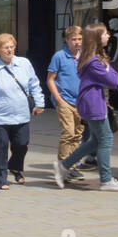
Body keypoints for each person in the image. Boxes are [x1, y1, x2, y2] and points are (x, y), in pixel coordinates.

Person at [52, 23, 118, 191]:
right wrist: (108, 67)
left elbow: (113, 78)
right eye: (105, 34)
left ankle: (64, 166)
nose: (108, 36)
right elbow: (115, 81)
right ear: (96, 38)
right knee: (106, 139)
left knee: (95, 140)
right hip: (93, 103)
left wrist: (108, 68)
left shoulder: (92, 58)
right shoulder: (94, 61)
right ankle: (106, 180)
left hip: (93, 102)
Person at [0, 34, 44, 189]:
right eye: (6, 47)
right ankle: (0, 180)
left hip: (21, 114)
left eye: (12, 46)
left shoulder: (24, 63)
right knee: (0, 148)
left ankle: (14, 166)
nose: (9, 50)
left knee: (22, 144)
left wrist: (39, 103)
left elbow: (34, 84)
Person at [46, 26, 89, 180]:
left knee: (78, 135)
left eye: (79, 39)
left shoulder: (85, 55)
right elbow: (50, 79)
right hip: (65, 100)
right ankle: (63, 166)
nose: (77, 42)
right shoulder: (59, 56)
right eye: (74, 39)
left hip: (81, 101)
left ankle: (73, 165)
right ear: (67, 40)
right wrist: (57, 98)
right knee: (68, 133)